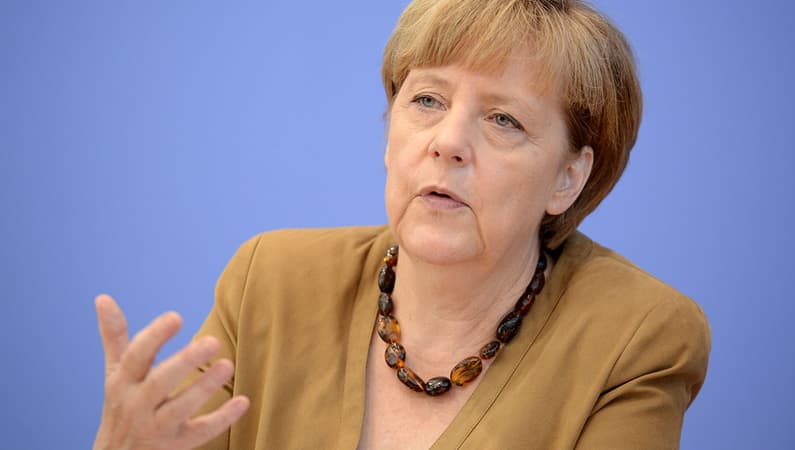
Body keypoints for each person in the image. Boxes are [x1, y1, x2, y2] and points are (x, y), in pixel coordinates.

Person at [92, 0, 711, 448]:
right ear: (390, 133)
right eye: (428, 101)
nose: (448, 142)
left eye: (504, 120)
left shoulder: (638, 337)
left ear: (566, 179)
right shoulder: (270, 282)